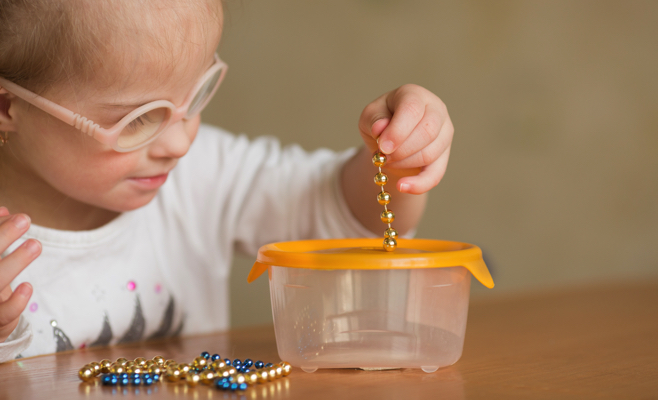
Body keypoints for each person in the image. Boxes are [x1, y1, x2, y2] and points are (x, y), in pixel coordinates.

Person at [0, 0, 454, 362]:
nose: (179, 142)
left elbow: (340, 217)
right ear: (7, 107)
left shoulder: (202, 171)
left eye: (197, 94)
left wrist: (394, 160)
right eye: (138, 120)